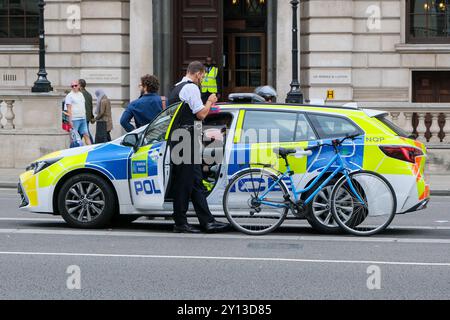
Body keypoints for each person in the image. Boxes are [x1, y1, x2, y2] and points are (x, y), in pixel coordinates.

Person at [167, 61, 230, 234]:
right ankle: (180, 222)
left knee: (195, 181)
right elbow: (201, 114)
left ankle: (207, 221)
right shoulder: (191, 88)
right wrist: (209, 101)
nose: (202, 79)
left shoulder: (176, 88)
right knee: (184, 183)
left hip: (181, 137)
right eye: (202, 76)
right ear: (197, 74)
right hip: (186, 137)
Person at [65, 80, 92, 146]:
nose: (74, 87)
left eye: (75, 85)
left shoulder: (81, 94)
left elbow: (82, 106)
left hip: (83, 118)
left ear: (79, 86)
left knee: (86, 135)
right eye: (72, 86)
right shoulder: (69, 96)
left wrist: (85, 116)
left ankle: (91, 150)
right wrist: (70, 120)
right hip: (75, 119)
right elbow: (68, 109)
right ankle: (72, 151)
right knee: (74, 138)